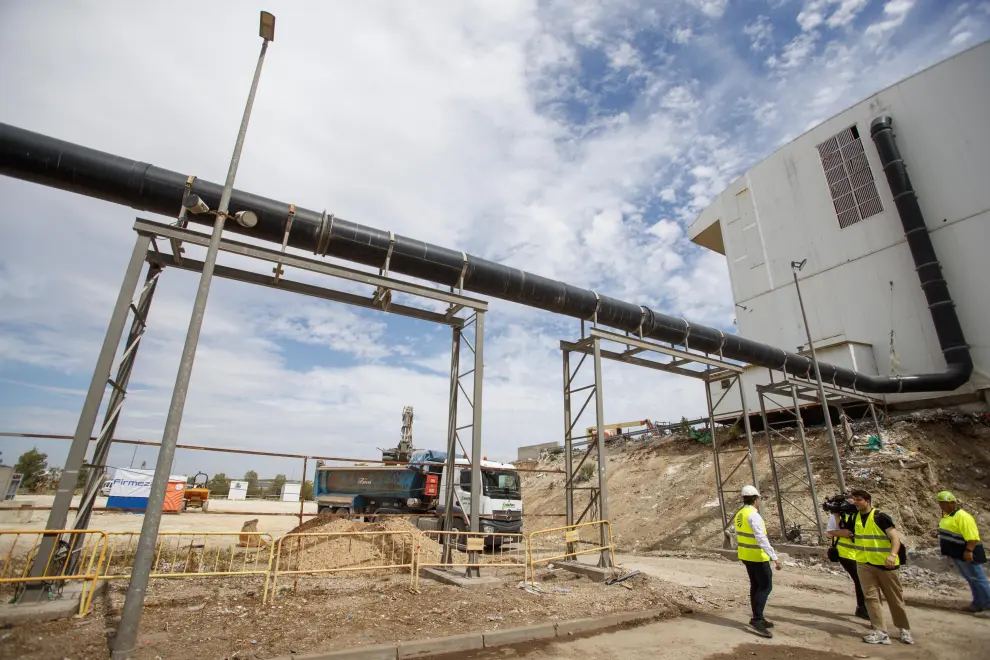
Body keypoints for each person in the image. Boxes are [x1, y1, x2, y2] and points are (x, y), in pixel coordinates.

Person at [850, 489, 914, 645]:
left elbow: (895, 539)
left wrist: (892, 555)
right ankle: (880, 632)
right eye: (854, 499)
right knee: (871, 598)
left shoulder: (881, 517)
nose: (855, 502)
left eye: (858, 499)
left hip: (886, 565)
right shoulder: (855, 518)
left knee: (894, 599)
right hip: (864, 563)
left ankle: (904, 629)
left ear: (867, 501)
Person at [735, 485, 781, 638]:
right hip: (757, 556)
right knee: (766, 586)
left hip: (745, 555)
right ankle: (757, 619)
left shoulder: (740, 514)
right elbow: (761, 538)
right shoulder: (753, 515)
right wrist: (773, 557)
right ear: (756, 499)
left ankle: (758, 616)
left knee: (755, 585)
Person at [935, 490, 989, 612]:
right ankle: (978, 603)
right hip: (958, 553)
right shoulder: (949, 516)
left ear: (952, 503)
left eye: (944, 503)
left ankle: (987, 605)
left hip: (968, 552)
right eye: (940, 504)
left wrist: (969, 550)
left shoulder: (963, 516)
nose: (942, 506)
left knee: (977, 578)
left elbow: (972, 537)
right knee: (971, 578)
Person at [825, 494, 869, 619]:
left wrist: (844, 532)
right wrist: (843, 531)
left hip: (860, 553)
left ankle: (862, 607)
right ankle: (862, 608)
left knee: (862, 581)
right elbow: (829, 533)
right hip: (846, 553)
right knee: (860, 580)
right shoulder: (837, 517)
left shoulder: (859, 516)